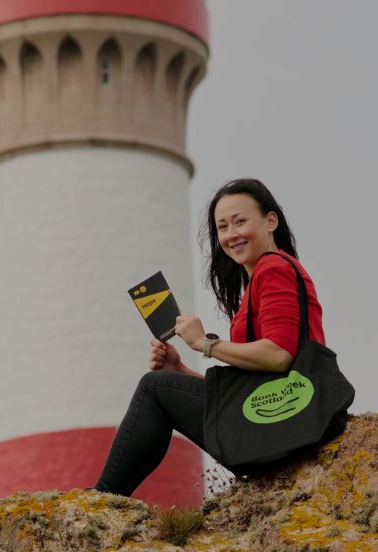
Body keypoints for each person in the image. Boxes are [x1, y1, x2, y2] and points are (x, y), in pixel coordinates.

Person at [89, 178, 329, 497]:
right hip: (280, 417)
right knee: (162, 385)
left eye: (240, 221)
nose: (231, 234)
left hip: (285, 424)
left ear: (271, 221)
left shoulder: (274, 268)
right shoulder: (263, 278)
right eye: (222, 227)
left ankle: (102, 500)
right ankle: (105, 500)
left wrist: (204, 344)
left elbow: (278, 355)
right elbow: (255, 379)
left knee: (153, 387)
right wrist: (181, 373)